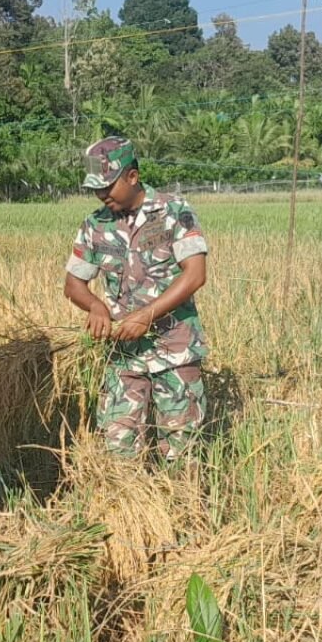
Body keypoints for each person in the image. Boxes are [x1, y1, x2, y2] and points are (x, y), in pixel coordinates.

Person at [64, 136, 209, 461]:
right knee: (117, 452)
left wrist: (147, 315)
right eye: (96, 188)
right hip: (123, 359)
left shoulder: (173, 211)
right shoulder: (94, 226)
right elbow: (73, 284)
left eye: (108, 186)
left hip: (175, 353)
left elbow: (195, 274)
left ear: (132, 176)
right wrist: (96, 305)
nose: (102, 195)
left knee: (181, 455)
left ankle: (179, 509)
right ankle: (126, 510)